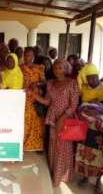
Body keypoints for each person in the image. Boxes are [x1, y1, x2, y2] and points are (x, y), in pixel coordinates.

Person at [31, 59, 80, 187]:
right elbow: (47, 101)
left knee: (62, 147)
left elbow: (73, 104)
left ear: (66, 68)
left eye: (60, 67)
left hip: (65, 119)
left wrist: (62, 119)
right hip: (53, 117)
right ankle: (55, 174)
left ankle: (60, 176)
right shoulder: (51, 83)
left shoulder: (72, 83)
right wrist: (33, 94)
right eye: (55, 68)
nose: (57, 70)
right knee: (53, 147)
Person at [75, 64, 103, 193]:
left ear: (98, 76)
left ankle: (98, 182)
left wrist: (98, 110)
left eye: (94, 78)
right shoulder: (84, 89)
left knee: (100, 154)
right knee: (85, 151)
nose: (91, 81)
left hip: (100, 127)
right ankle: (85, 177)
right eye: (89, 78)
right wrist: (86, 109)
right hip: (86, 126)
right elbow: (80, 105)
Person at [20, 47, 45, 151]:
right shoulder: (19, 68)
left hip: (36, 97)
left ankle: (35, 145)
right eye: (26, 55)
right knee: (25, 119)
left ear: (33, 56)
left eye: (30, 55)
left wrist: (37, 83)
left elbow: (44, 81)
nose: (27, 57)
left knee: (36, 119)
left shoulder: (39, 68)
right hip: (24, 96)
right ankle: (24, 144)